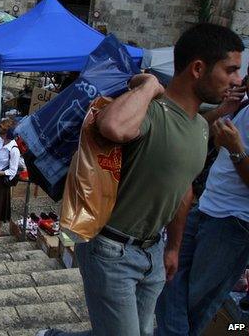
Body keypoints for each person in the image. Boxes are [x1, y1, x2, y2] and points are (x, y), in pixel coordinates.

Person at [37, 23, 244, 336]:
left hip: (153, 252)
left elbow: (183, 191)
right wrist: (147, 86)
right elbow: (113, 127)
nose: (237, 80)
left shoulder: (200, 128)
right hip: (110, 249)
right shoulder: (151, 111)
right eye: (230, 70)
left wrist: (173, 248)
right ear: (198, 68)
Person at [155, 98, 249, 331]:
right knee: (167, 279)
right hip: (207, 205)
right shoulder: (243, 105)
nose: (238, 79)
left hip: (233, 222)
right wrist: (222, 112)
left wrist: (236, 149)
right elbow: (201, 133)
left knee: (193, 305)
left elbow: (234, 152)